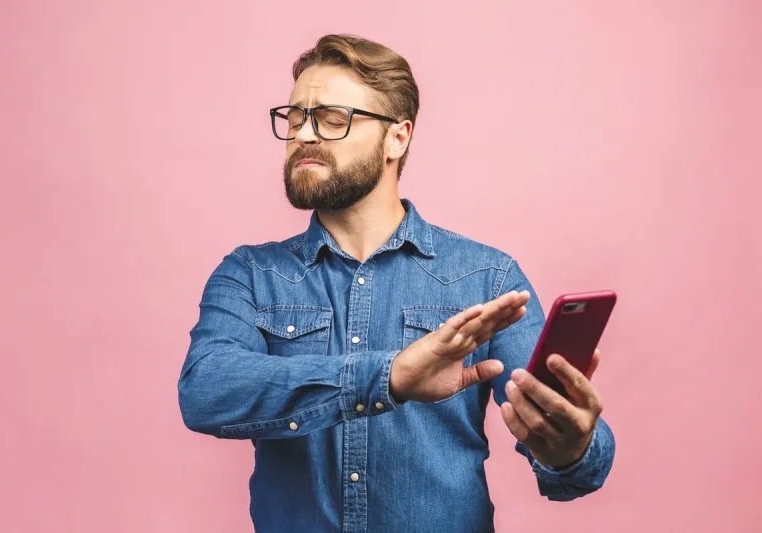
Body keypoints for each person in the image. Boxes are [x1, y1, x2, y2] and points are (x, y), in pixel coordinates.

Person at [178, 33, 615, 533]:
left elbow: (576, 460)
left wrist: (569, 449)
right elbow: (206, 391)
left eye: (333, 118)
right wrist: (387, 377)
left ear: (398, 138)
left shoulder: (486, 277)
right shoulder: (251, 275)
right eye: (296, 117)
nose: (303, 134)